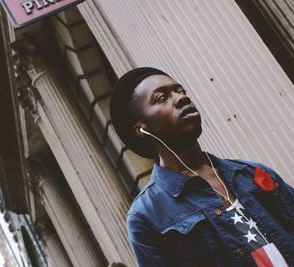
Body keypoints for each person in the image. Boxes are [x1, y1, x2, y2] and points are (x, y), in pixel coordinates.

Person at [109, 67, 294, 267]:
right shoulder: (146, 216)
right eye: (162, 97)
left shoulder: (251, 173)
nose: (181, 98)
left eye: (180, 91)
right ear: (142, 129)